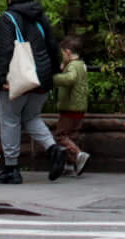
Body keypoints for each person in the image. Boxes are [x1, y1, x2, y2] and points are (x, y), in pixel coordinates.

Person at [0, 0, 60, 184]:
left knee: (10, 120)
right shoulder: (40, 17)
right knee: (30, 117)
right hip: (42, 77)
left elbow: (5, 49)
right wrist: (53, 71)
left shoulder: (8, 18)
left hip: (19, 77)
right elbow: (52, 45)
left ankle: (11, 168)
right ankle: (54, 149)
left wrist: (1, 77)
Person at [49, 35, 91, 177]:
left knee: (61, 136)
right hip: (79, 107)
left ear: (67, 52)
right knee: (72, 136)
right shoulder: (81, 65)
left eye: (62, 55)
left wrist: (53, 78)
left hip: (69, 107)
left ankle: (79, 155)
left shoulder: (72, 66)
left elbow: (70, 78)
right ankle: (71, 164)